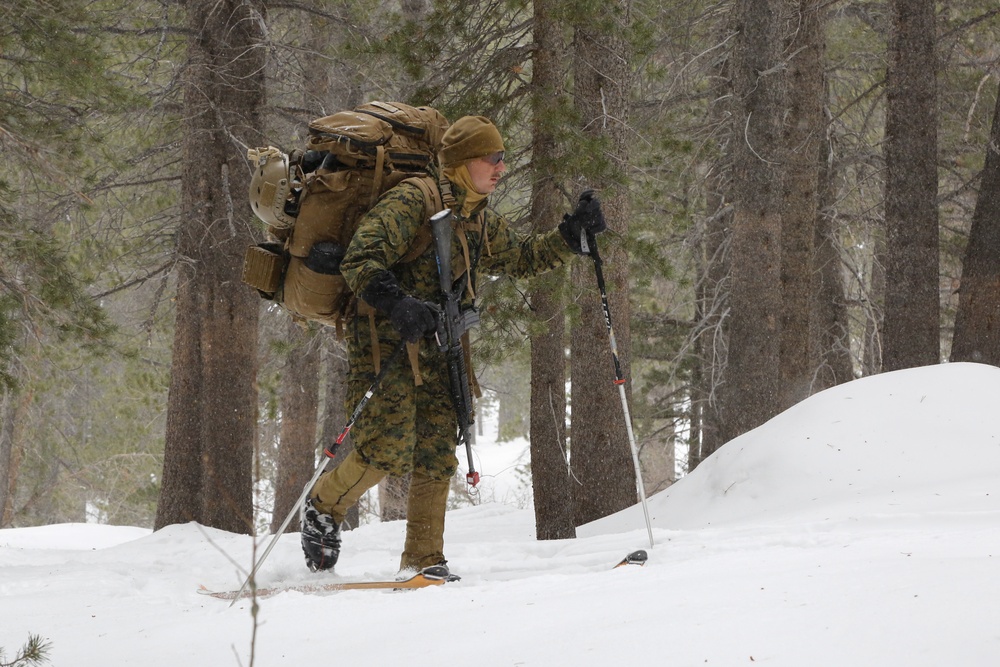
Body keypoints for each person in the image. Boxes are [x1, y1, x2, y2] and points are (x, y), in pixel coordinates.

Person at [300, 115, 606, 576]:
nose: (502, 167)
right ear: (464, 162)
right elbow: (361, 258)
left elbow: (520, 257)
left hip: (442, 344)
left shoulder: (476, 214)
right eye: (493, 158)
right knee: (385, 448)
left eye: (504, 157)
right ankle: (324, 505)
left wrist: (570, 237)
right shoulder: (412, 201)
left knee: (437, 449)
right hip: (388, 340)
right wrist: (399, 304)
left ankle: (423, 559)